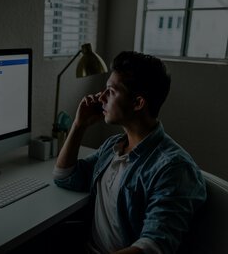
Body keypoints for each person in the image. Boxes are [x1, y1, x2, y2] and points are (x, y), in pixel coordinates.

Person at [53, 51, 207, 254]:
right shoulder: (113, 146)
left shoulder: (174, 168)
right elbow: (65, 176)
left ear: (138, 103)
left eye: (111, 91)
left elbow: (153, 247)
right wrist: (79, 125)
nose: (101, 97)